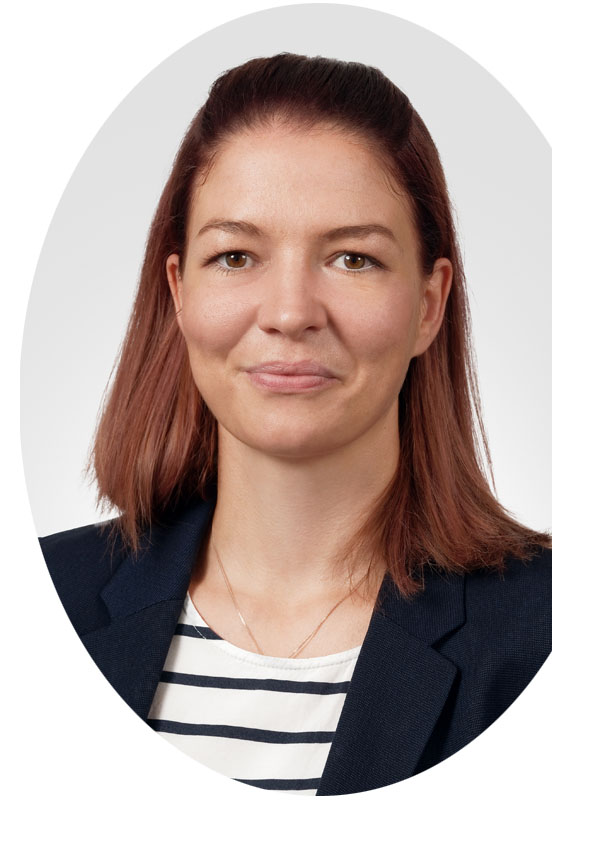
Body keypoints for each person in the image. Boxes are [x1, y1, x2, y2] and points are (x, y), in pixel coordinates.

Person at [40, 53, 551, 796]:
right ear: (179, 292)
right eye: (235, 255)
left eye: (352, 259)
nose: (289, 313)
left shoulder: (558, 632)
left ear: (429, 304)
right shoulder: (38, 601)